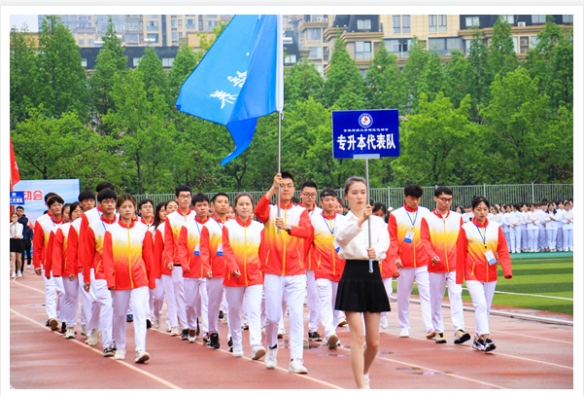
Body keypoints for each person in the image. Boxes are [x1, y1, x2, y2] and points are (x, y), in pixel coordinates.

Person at [334, 176, 390, 389]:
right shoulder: (342, 220)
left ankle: (364, 373)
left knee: (374, 342)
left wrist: (378, 252)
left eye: (362, 192)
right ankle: (360, 387)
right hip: (352, 274)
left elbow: (384, 243)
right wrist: (360, 221)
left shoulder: (378, 222)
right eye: (354, 192)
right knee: (358, 335)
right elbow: (342, 238)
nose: (359, 196)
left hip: (372, 274)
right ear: (346, 195)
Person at [254, 172, 312, 374]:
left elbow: (306, 232)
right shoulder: (270, 210)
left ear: (294, 189)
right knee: (272, 317)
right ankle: (271, 349)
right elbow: (258, 212)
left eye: (289, 185)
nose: (285, 189)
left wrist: (288, 227)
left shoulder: (301, 212)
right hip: (273, 270)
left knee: (296, 315)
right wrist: (271, 188)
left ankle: (296, 359)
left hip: (296, 271)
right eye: (282, 186)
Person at [103, 194, 155, 363]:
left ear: (135, 209)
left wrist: (151, 279)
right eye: (124, 207)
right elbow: (108, 258)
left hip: (140, 279)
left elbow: (148, 256)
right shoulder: (111, 231)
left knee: (140, 312)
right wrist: (110, 280)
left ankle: (141, 350)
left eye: (130, 207)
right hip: (120, 280)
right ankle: (120, 347)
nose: (127, 210)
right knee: (119, 314)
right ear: (118, 209)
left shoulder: (142, 229)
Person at [456, 196, 512, 352]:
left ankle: (478, 339)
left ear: (489, 210)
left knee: (486, 308)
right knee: (480, 305)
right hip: (473, 274)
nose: (482, 212)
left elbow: (502, 250)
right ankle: (487, 338)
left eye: (485, 209)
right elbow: (460, 254)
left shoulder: (495, 227)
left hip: (491, 273)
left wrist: (507, 270)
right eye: (478, 209)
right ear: (472, 210)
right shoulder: (466, 229)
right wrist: (458, 278)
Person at [420, 187, 471, 344]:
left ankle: (459, 329)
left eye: (449, 199)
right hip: (436, 266)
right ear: (435, 199)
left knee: (456, 294)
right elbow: (425, 240)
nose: (446, 203)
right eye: (443, 199)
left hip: (454, 265)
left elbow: (462, 240)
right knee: (436, 298)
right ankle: (439, 330)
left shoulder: (458, 218)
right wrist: (432, 255)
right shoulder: (427, 219)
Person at [222, 193, 266, 359]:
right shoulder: (228, 227)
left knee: (254, 310)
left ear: (252, 207)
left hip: (255, 276)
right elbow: (227, 249)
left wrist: (262, 270)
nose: (244, 207)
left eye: (247, 204)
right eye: (241, 204)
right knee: (234, 311)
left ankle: (256, 345)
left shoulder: (259, 227)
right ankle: (237, 344)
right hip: (234, 277)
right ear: (235, 207)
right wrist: (233, 267)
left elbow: (262, 251)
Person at [387, 184, 433, 339]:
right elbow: (392, 238)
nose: (415, 201)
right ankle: (404, 326)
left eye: (418, 198)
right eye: (412, 198)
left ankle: (429, 326)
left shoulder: (426, 213)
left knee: (426, 293)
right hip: (404, 263)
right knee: (403, 296)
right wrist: (395, 257)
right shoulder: (396, 215)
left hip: (423, 262)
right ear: (405, 197)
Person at [81, 188, 118, 357]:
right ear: (100, 205)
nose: (110, 204)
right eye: (106, 201)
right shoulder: (93, 227)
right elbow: (87, 253)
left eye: (112, 201)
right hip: (100, 272)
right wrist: (87, 277)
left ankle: (94, 328)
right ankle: (109, 343)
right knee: (107, 304)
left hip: (120, 271)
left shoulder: (122, 224)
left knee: (110, 305)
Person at [310, 188, 346, 349]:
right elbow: (307, 242)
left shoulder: (344, 221)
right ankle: (330, 332)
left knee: (336, 303)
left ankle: (332, 333)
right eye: (327, 200)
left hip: (341, 267)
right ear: (321, 202)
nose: (330, 203)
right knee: (324, 300)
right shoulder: (314, 220)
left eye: (333, 200)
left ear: (337, 202)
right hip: (322, 268)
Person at [177, 193, 211, 343]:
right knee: (190, 302)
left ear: (209, 206)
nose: (203, 208)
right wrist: (185, 264)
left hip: (208, 272)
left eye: (205, 205)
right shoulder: (187, 226)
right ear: (194, 208)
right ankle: (192, 325)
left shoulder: (214, 226)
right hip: (191, 270)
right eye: (199, 205)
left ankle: (208, 331)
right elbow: (182, 247)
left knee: (207, 301)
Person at [200, 193, 231, 349]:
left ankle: (233, 335)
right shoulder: (208, 227)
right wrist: (207, 268)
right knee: (214, 304)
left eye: (226, 202)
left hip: (232, 271)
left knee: (233, 305)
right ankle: (213, 332)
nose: (223, 205)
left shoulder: (233, 225)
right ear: (212, 206)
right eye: (219, 202)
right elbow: (204, 250)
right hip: (215, 271)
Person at [164, 186, 196, 339]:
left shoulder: (196, 216)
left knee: (194, 296)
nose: (185, 199)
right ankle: (185, 326)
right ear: (177, 198)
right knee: (181, 295)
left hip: (195, 262)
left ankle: (193, 322)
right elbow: (168, 242)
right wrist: (169, 259)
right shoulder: (170, 218)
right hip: (177, 263)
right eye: (182, 196)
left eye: (188, 196)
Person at [49, 201, 83, 339]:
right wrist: (57, 270)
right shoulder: (62, 229)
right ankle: (70, 326)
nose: (78, 214)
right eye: (75, 211)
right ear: (69, 215)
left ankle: (88, 326)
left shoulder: (89, 227)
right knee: (71, 298)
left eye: (81, 211)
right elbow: (57, 252)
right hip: (69, 270)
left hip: (85, 268)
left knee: (90, 300)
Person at [33, 192, 63, 331]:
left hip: (65, 262)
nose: (57, 207)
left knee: (63, 292)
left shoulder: (67, 222)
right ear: (48, 207)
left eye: (59, 204)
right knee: (51, 290)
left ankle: (61, 317)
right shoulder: (42, 222)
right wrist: (36, 263)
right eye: (53, 205)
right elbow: (38, 245)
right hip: (48, 263)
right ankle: (52, 317)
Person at [299, 180, 323, 342]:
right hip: (296, 261)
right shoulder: (294, 212)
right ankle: (281, 328)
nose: (309, 197)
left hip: (315, 261)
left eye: (312, 195)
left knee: (315, 296)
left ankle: (313, 328)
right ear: (300, 194)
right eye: (306, 194)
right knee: (293, 297)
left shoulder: (321, 214)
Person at [15, 206, 32, 270]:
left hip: (22, 239)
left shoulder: (25, 219)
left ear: (23, 212)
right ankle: (15, 268)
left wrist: (16, 218)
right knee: (14, 255)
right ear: (16, 211)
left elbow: (23, 222)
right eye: (18, 211)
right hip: (13, 239)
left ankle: (20, 269)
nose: (19, 212)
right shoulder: (13, 218)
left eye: (20, 211)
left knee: (21, 255)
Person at [10, 213, 24, 279]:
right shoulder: (9, 225)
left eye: (15, 217)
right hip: (12, 241)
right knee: (13, 257)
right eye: (13, 217)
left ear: (17, 218)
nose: (14, 218)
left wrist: (17, 235)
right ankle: (13, 271)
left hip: (19, 241)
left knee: (18, 259)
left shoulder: (20, 225)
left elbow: (19, 232)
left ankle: (19, 270)